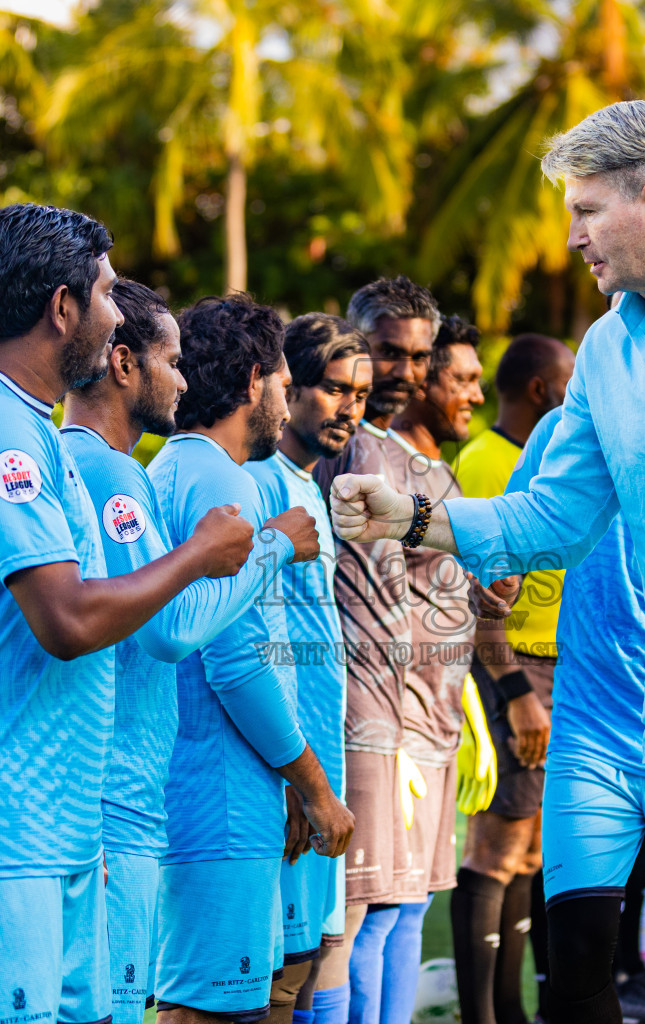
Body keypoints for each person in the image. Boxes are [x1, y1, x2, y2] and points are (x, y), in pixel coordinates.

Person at [329, 98, 645, 1024]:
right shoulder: (604, 353)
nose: (572, 237)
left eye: (587, 211)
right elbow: (553, 516)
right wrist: (410, 515)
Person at [0, 204, 255, 1024]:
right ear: (62, 307)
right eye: (108, 293)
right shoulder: (12, 434)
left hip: (70, 826)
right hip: (22, 833)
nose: (119, 311)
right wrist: (204, 555)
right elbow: (68, 623)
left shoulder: (40, 433)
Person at [60, 279, 315, 1024]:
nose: (184, 380)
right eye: (172, 363)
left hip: (133, 800)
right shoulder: (115, 472)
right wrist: (270, 548)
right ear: (123, 364)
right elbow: (177, 633)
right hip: (124, 806)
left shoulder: (125, 467)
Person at [148, 294, 354, 1024]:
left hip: (211, 789)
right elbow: (235, 663)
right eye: (282, 382)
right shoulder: (225, 482)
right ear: (251, 382)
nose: (286, 400)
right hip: (222, 800)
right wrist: (314, 786)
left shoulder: (176, 467)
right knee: (208, 1010)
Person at [474, 404, 645, 1024]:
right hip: (590, 729)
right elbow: (515, 532)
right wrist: (496, 578)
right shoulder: (568, 424)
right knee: (576, 960)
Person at [313, 275, 439, 1024]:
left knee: (391, 906)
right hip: (348, 707)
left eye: (418, 357)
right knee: (350, 914)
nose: (404, 371)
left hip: (402, 713)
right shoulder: (343, 445)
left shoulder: (400, 453)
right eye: (390, 352)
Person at [246, 313, 372, 1024]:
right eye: (333, 388)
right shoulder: (259, 482)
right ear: (288, 386)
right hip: (288, 778)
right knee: (273, 983)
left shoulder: (307, 486)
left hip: (319, 766)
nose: (349, 407)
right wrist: (296, 780)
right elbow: (253, 649)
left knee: (310, 962)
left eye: (360, 393)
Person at [451, 331, 575, 1024]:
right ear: (539, 389)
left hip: (556, 667)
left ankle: (512, 1009)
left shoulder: (557, 457)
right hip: (512, 668)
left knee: (529, 851)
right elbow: (475, 589)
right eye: (569, 380)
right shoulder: (485, 461)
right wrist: (515, 690)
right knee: (496, 849)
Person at [379, 315, 484, 1018]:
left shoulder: (438, 471)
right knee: (379, 911)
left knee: (413, 903)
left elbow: (436, 593)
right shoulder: (379, 465)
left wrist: (480, 591)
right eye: (460, 380)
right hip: (394, 728)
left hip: (437, 725)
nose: (473, 395)